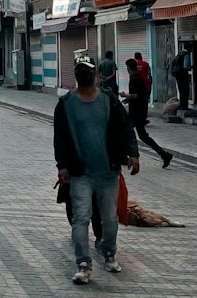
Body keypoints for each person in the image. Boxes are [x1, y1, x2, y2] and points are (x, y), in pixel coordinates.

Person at [54, 57, 140, 284]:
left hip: (108, 171)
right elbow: (60, 138)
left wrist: (133, 153)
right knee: (80, 218)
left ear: (95, 75)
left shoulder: (109, 100)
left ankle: (109, 252)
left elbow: (126, 127)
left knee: (110, 218)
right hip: (80, 173)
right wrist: (62, 166)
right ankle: (83, 264)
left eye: (88, 71)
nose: (85, 75)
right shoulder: (66, 104)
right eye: (81, 71)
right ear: (77, 76)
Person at [123, 58, 172, 167]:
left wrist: (126, 95)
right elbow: (138, 95)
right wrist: (128, 99)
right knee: (142, 136)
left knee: (126, 133)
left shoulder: (135, 79)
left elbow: (136, 95)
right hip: (137, 112)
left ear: (129, 68)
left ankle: (127, 157)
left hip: (136, 113)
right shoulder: (137, 78)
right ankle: (164, 155)